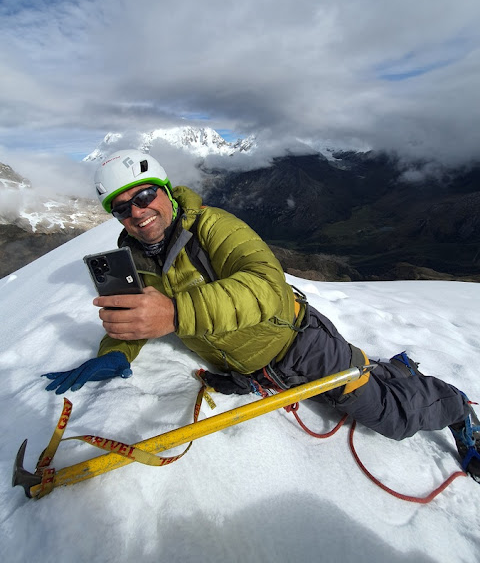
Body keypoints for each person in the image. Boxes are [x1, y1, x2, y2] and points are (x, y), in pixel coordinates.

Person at [43, 149, 480, 482]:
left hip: (300, 346)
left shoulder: (214, 227)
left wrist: (178, 312)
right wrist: (117, 349)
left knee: (387, 417)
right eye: (123, 207)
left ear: (165, 190)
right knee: (355, 392)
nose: (138, 212)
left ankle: (455, 407)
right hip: (244, 367)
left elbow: (268, 289)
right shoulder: (133, 257)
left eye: (144, 195)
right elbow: (141, 315)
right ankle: (390, 371)